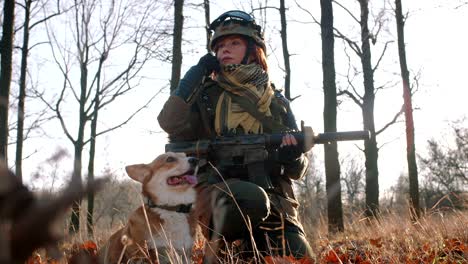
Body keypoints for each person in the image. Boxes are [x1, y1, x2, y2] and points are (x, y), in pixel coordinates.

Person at [158, 10, 313, 262]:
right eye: (219, 46)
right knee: (251, 199)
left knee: (301, 256)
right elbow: (169, 121)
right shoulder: (206, 97)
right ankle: (230, 248)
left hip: (276, 206)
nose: (224, 50)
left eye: (234, 43)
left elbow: (298, 170)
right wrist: (195, 74)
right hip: (220, 197)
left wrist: (292, 156)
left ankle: (255, 248)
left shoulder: (276, 102)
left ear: (252, 50)